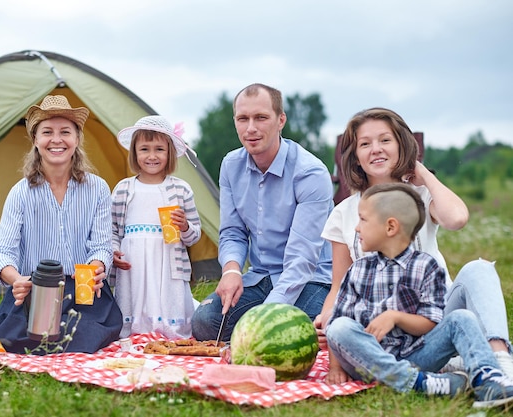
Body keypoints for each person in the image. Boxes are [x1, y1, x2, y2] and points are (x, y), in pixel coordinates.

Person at [316, 107, 513, 381]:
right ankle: (441, 367)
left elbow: (457, 219)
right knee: (340, 326)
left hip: (437, 318)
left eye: (385, 140)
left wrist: (424, 176)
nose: (376, 149)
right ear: (356, 156)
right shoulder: (344, 212)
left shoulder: (420, 195)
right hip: (381, 332)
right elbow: (338, 285)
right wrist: (327, 319)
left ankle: (501, 364)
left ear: (401, 146)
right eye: (365, 143)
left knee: (479, 270)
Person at [326, 182, 513, 409]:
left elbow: (430, 323)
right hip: (368, 359)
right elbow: (337, 322)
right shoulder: (357, 270)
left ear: (390, 227)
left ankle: (489, 381)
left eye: (363, 220)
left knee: (461, 318)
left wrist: (395, 317)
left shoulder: (426, 267)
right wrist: (335, 368)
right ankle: (417, 383)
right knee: (340, 328)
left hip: (417, 356)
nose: (356, 228)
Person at [0, 95, 123, 353]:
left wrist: (96, 267)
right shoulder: (20, 193)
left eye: (65, 132)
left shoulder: (98, 189)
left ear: (77, 139)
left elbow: (102, 244)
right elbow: (1, 252)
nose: (56, 140)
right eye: (47, 132)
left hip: (82, 292)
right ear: (35, 140)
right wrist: (17, 280)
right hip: (34, 291)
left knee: (85, 331)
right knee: (27, 334)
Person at [191, 83, 334, 342]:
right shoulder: (231, 165)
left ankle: (264, 334)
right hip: (260, 277)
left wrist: (265, 317)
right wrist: (232, 271)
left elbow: (302, 259)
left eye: (261, 118)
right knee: (204, 322)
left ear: (281, 120)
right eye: (243, 119)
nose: (251, 128)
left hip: (310, 280)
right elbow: (232, 232)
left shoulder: (310, 173)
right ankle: (261, 335)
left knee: (301, 331)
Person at [110, 115, 201, 339]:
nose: (152, 156)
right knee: (136, 299)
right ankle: (136, 332)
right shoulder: (124, 189)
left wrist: (185, 227)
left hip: (168, 260)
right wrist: (114, 251)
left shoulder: (181, 189)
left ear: (169, 152)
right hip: (134, 263)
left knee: (167, 299)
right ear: (134, 153)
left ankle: (171, 331)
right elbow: (111, 230)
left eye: (159, 149)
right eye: (144, 149)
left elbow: (194, 235)